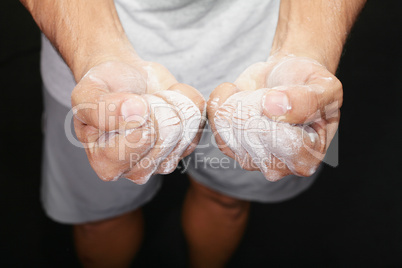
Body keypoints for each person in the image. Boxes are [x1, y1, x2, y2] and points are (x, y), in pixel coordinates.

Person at [21, 0, 366, 267]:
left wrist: (306, 50)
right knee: (100, 219)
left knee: (225, 201)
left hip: (262, 72)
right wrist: (96, 56)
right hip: (95, 70)